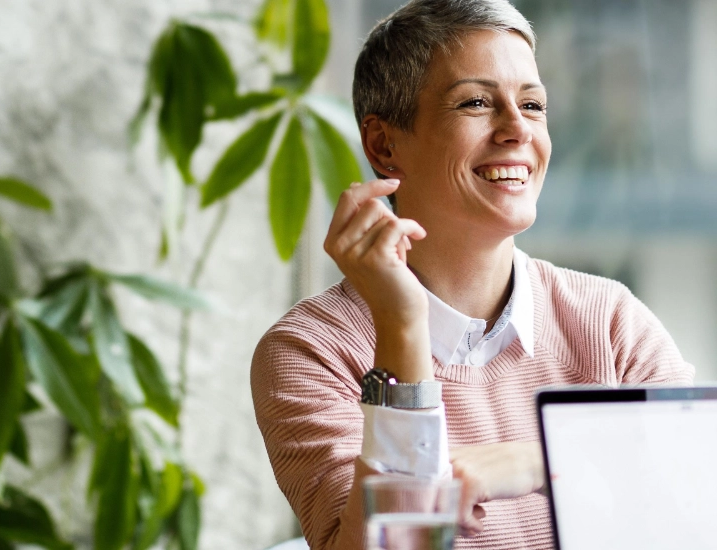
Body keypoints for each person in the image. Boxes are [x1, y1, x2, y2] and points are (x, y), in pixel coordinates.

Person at [249, 0, 693, 548]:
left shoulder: (610, 322)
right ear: (384, 145)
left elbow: (709, 491)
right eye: (476, 102)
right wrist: (401, 327)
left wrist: (540, 460)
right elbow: (394, 545)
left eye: (532, 104)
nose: (517, 130)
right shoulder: (310, 351)